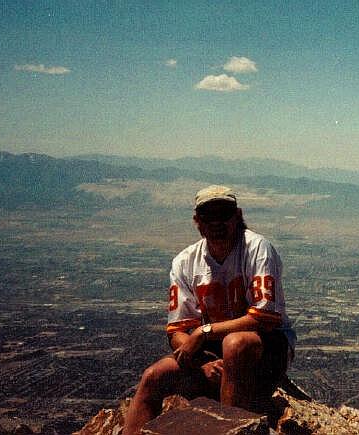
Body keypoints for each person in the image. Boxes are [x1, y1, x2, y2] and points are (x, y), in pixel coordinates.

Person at [122, 185, 295, 434]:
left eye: (223, 214)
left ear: (237, 216)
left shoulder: (257, 249)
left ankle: (230, 427)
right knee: (153, 376)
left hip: (266, 348)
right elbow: (178, 330)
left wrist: (204, 332)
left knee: (235, 344)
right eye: (208, 216)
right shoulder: (185, 262)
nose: (216, 222)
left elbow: (265, 317)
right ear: (197, 222)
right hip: (213, 351)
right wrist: (200, 362)